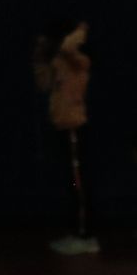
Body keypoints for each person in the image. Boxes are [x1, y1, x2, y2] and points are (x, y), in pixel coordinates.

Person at [33, 16, 97, 255]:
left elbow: (68, 47)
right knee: (70, 183)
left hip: (75, 128)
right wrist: (40, 58)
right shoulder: (58, 62)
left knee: (78, 182)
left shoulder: (79, 60)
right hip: (61, 128)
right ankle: (75, 232)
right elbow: (44, 84)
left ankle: (86, 236)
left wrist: (80, 30)